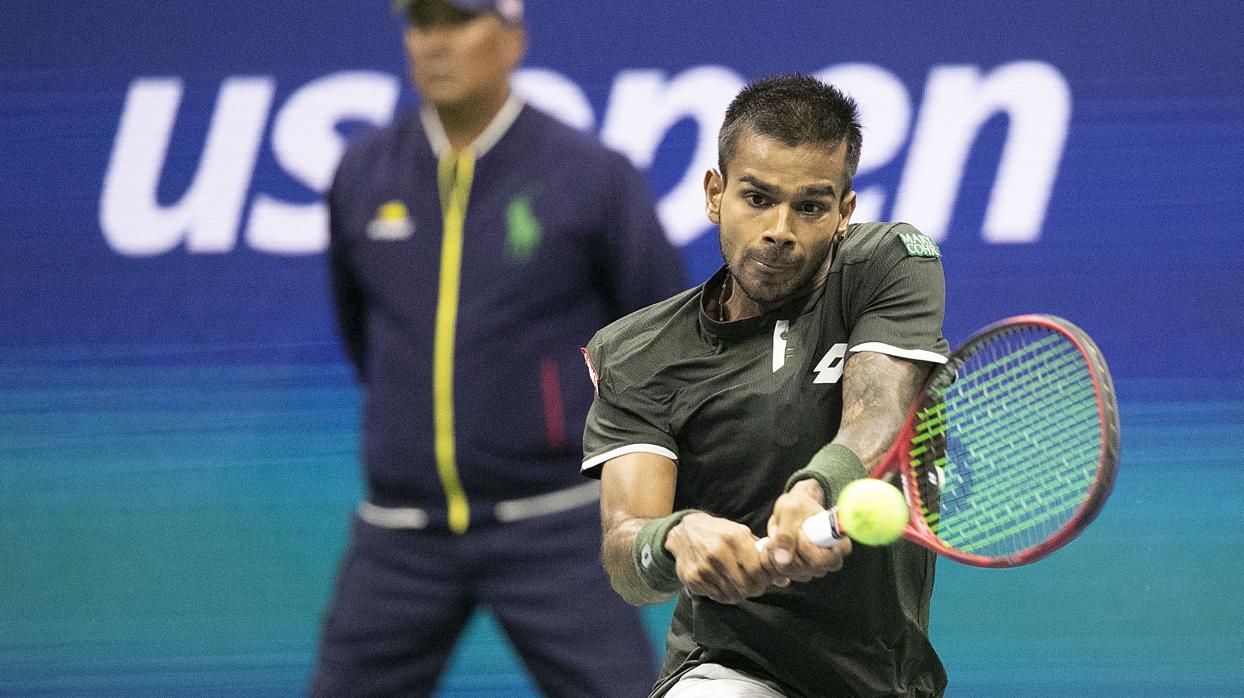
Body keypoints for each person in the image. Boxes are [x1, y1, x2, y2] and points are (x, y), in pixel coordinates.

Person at [310, 0, 686, 695]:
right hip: (402, 534)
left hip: (556, 524)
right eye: (421, 24)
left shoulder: (592, 175)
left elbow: (661, 341)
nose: (435, 42)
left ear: (513, 39)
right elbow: (363, 336)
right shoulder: (363, 172)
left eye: (458, 20)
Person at [581, 74, 951, 697]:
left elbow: (880, 411)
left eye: (810, 206)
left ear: (844, 212)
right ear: (714, 194)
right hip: (730, 666)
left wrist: (816, 489)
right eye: (757, 198)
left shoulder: (891, 263)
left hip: (885, 674)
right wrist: (672, 538)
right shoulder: (638, 354)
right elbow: (625, 553)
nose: (780, 229)